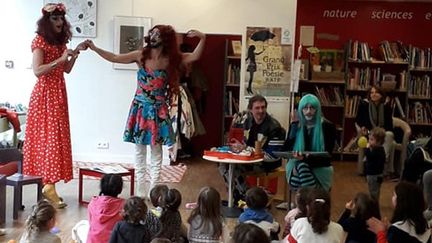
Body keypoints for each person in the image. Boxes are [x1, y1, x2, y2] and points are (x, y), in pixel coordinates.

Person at [85, 26, 206, 198]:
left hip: (158, 110)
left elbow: (194, 56)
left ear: (165, 39)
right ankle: (140, 193)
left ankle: (153, 192)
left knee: (156, 153)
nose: (153, 36)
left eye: (158, 34)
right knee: (139, 152)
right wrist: (95, 48)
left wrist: (203, 37)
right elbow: (114, 57)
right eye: (153, 33)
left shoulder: (171, 59)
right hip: (140, 109)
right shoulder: (140, 55)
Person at [23, 2, 87, 209]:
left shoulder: (60, 42)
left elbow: (66, 69)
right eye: (55, 18)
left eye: (61, 18)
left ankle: (49, 184)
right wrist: (60, 58)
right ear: (46, 21)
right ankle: (48, 185)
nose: (60, 22)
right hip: (44, 94)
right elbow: (37, 70)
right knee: (48, 138)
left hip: (58, 92)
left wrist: (74, 53)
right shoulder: (39, 40)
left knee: (56, 137)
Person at [219, 94, 286, 202]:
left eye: (263, 107)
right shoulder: (252, 123)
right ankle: (240, 196)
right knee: (224, 163)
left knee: (232, 167)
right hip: (253, 159)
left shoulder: (275, 127)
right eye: (257, 108)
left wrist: (245, 149)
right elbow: (246, 144)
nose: (261, 111)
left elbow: (273, 156)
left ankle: (250, 199)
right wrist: (239, 145)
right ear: (251, 109)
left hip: (266, 163)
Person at [285, 94, 336, 191]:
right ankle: (311, 200)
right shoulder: (295, 126)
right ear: (300, 109)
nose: (308, 111)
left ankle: (303, 201)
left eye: (312, 108)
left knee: (301, 165)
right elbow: (286, 149)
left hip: (319, 166)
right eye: (305, 108)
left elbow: (328, 155)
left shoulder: (328, 127)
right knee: (300, 165)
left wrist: (304, 159)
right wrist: (295, 127)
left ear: (317, 109)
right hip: (296, 166)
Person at [367, 182, 431, 243]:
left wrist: (380, 233)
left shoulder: (398, 230)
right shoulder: (426, 225)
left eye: (394, 195)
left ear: (401, 201)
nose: (392, 197)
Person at [356, 85, 396, 177]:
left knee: (389, 134)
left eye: (376, 92)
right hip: (370, 133)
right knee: (375, 138)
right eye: (372, 93)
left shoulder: (386, 108)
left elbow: (389, 126)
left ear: (381, 95)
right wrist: (362, 127)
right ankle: (380, 163)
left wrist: (381, 132)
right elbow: (359, 120)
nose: (373, 94)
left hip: (383, 133)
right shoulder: (364, 105)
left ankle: (381, 158)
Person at [87, 174, 125, 243]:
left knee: (81, 226)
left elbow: (91, 223)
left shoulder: (93, 203)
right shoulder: (123, 205)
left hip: (93, 240)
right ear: (120, 189)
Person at [364, 127, 386, 205]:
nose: (369, 141)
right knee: (374, 190)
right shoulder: (379, 149)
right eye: (369, 139)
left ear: (379, 142)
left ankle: (374, 205)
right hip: (375, 174)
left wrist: (366, 149)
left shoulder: (377, 150)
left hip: (374, 175)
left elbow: (370, 156)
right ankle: (373, 203)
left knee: (373, 191)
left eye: (372, 139)